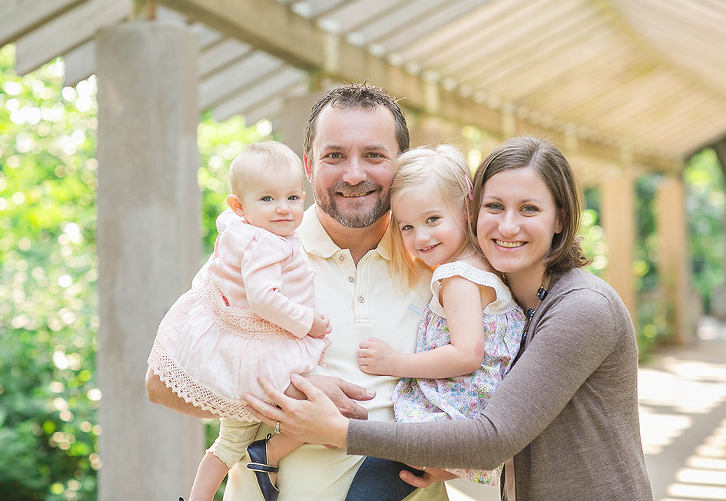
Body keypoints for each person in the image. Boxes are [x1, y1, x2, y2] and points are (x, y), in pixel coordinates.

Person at [244, 136, 654, 501]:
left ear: (560, 218)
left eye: (529, 208)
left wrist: (338, 432)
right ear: (474, 210)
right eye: (495, 206)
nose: (507, 224)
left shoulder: (581, 308)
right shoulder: (508, 298)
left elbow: (493, 437)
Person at [146, 82, 449, 501]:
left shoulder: (439, 261)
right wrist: (290, 392)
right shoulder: (254, 249)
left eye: (374, 155)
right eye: (335, 156)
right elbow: (161, 382)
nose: (354, 173)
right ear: (309, 165)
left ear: (402, 165)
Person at [146, 141, 332, 501]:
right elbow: (264, 300)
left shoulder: (237, 228)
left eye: (293, 198)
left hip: (237, 346)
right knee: (322, 409)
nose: (283, 209)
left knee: (228, 439)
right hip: (261, 348)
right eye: (268, 199)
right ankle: (269, 452)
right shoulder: (268, 244)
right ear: (238, 205)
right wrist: (308, 321)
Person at [345, 145, 526, 501]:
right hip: (475, 412)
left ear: (467, 208)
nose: (420, 237)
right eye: (407, 226)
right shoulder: (488, 266)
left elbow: (466, 354)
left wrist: (394, 363)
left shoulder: (457, 277)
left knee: (370, 483)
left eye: (432, 220)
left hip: (453, 415)